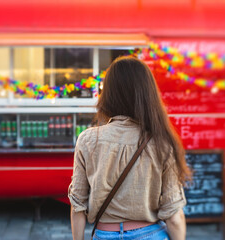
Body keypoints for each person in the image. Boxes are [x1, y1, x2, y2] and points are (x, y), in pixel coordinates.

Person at [68, 56, 191, 240]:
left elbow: (77, 204)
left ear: (108, 94)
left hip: (104, 234)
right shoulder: (162, 143)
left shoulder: (88, 140)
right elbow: (174, 215)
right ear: (148, 94)